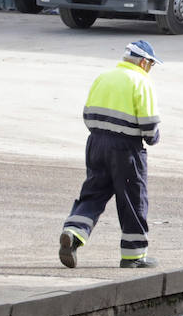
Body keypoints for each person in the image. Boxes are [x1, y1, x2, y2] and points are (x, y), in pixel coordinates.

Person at [58, 40, 163, 269]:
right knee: (133, 200)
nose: (151, 69)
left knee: (93, 193)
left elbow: (87, 114)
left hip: (96, 144)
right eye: (151, 64)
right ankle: (133, 256)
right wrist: (153, 138)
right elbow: (149, 124)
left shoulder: (103, 77)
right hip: (126, 149)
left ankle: (73, 233)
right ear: (143, 62)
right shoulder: (141, 81)